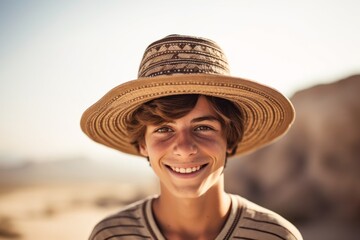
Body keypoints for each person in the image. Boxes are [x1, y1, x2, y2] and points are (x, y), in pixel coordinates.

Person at [81, 34, 303, 240]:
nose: (185, 148)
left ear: (230, 139)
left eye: (203, 127)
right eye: (164, 129)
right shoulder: (111, 236)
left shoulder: (277, 236)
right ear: (142, 145)